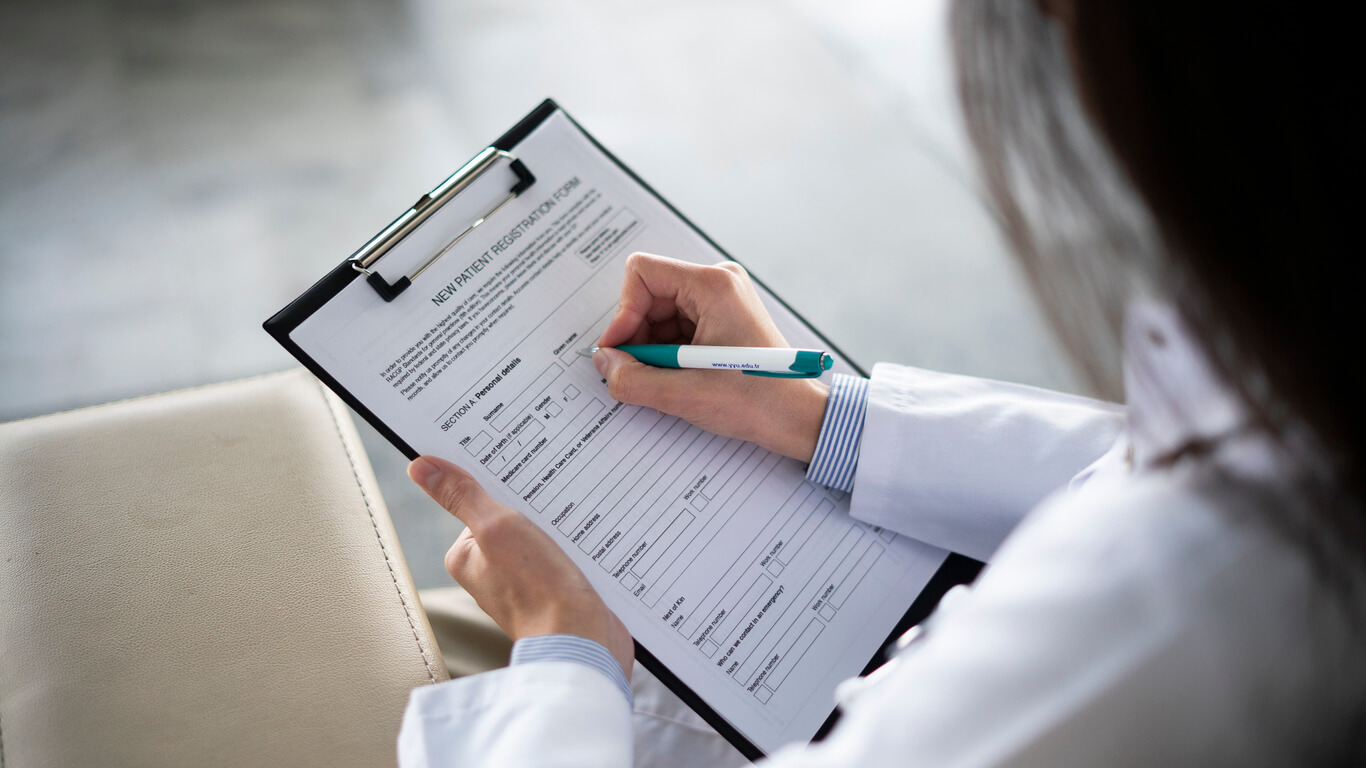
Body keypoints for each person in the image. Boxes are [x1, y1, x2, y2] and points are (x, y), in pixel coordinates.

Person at [397, 1, 1365, 765]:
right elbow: (1136, 461)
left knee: (433, 634)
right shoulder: (1294, 401)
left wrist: (564, 655)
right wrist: (823, 418)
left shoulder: (1196, 590)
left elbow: (1168, 515)